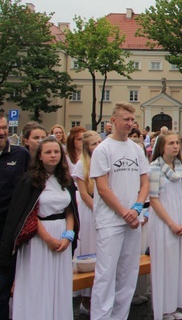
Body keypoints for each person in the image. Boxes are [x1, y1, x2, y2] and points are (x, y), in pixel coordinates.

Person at [0, 137, 79, 320]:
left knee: (58, 284)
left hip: (62, 237)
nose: (53, 156)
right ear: (40, 156)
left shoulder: (65, 180)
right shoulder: (29, 181)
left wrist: (68, 235)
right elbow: (27, 214)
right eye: (48, 152)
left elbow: (70, 210)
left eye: (56, 152)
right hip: (37, 240)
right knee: (37, 283)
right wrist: (48, 239)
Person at [89, 103, 150, 320]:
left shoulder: (136, 148)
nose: (130, 124)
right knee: (106, 274)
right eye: (125, 119)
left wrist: (136, 208)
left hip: (133, 218)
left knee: (128, 272)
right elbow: (103, 188)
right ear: (113, 121)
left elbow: (145, 183)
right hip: (110, 220)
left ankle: (120, 316)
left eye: (132, 120)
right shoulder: (102, 149)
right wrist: (124, 211)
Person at [148, 130, 182, 320]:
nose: (175, 147)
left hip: (181, 217)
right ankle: (164, 308)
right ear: (161, 147)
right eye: (170, 143)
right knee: (166, 264)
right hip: (164, 219)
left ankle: (178, 302)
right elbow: (154, 200)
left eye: (177, 143)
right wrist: (171, 223)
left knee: (181, 262)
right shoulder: (154, 168)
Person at [0, 113, 31, 320]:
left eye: (4, 127)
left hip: (9, 230)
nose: (3, 132)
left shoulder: (20, 154)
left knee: (3, 287)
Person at [72, 130, 102, 315]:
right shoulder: (81, 165)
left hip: (102, 209)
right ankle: (85, 298)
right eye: (94, 144)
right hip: (89, 210)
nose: (98, 146)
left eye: (100, 142)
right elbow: (84, 194)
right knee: (89, 250)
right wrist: (97, 210)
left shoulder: (104, 161)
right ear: (86, 147)